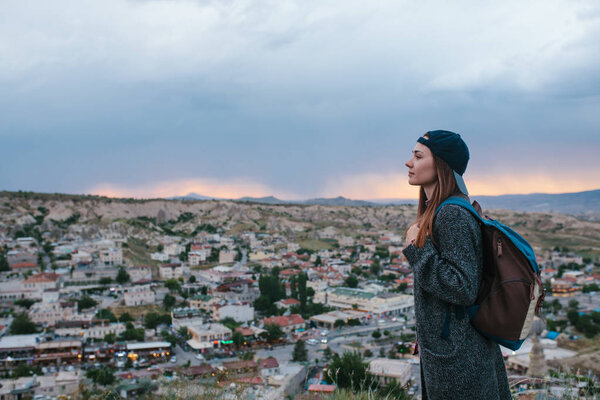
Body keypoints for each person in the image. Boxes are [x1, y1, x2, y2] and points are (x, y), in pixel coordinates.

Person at [402, 130, 511, 400]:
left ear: (441, 164)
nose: (409, 162)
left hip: (461, 360)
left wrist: (418, 250)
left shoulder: (451, 214)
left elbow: (462, 288)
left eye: (418, 156)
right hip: (453, 353)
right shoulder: (443, 210)